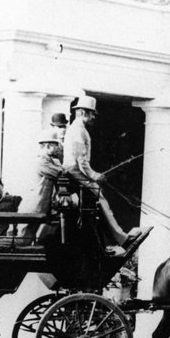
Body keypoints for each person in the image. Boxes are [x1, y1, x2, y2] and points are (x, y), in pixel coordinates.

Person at [63, 94, 143, 248]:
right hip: (75, 172)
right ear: (84, 113)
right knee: (99, 194)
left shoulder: (77, 129)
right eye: (92, 113)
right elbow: (81, 160)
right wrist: (94, 176)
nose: (94, 117)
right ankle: (120, 237)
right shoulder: (78, 130)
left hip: (75, 171)